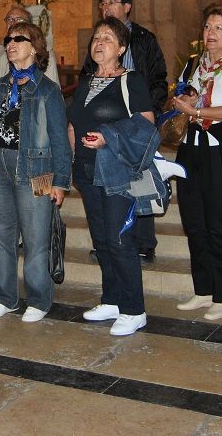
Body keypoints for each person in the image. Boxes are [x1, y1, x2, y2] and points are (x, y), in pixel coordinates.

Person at [0, 21, 70, 323]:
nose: (11, 43)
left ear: (35, 47)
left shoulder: (48, 90)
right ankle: (6, 297)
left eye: (19, 38)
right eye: (8, 39)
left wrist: (62, 181)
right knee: (1, 238)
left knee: (36, 239)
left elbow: (59, 138)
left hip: (38, 173)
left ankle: (39, 300)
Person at [67, 17, 155, 336]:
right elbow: (74, 123)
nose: (99, 43)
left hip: (118, 172)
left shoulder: (131, 81)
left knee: (119, 239)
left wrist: (108, 136)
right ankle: (113, 299)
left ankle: (134, 309)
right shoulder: (87, 82)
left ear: (121, 48)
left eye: (107, 38)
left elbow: (146, 123)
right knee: (102, 239)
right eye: (95, 38)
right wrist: (71, 158)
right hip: (88, 171)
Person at [170, 4, 222, 322]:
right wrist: (183, 103)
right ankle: (203, 289)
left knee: (219, 225)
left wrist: (197, 112)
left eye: (219, 27)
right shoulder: (193, 64)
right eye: (207, 26)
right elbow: (181, 99)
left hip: (220, 152)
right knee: (194, 223)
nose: (211, 33)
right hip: (191, 150)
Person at [82, 0, 168, 262]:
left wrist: (145, 116)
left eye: (112, 2)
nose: (106, 8)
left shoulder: (144, 38)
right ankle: (109, 239)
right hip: (104, 126)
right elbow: (89, 77)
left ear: (127, 6)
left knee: (137, 181)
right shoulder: (96, 43)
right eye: (102, 3)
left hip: (134, 120)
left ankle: (142, 241)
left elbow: (157, 79)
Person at [0, 5, 59, 117]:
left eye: (19, 19)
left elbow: (53, 100)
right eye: (9, 19)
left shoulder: (45, 54)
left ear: (29, 25)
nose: (13, 22)